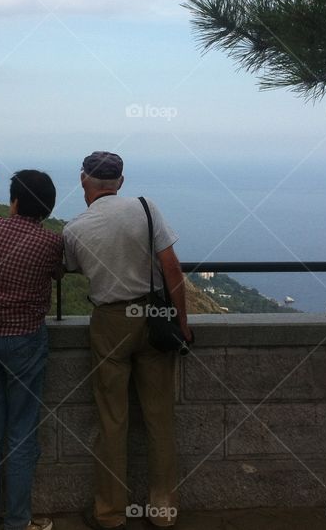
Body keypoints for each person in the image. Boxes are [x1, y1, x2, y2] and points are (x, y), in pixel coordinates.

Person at [63, 151, 193, 530]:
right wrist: (181, 320)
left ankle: (109, 514)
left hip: (110, 321)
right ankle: (164, 510)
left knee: (112, 419)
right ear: (120, 181)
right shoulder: (145, 207)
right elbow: (171, 266)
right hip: (154, 318)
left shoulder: (74, 228)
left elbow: (67, 269)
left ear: (84, 180)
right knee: (160, 417)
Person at [0, 169, 63, 530]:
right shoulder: (52, 244)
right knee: (22, 435)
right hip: (24, 340)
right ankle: (18, 521)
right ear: (48, 208)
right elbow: (59, 272)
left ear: (15, 201)